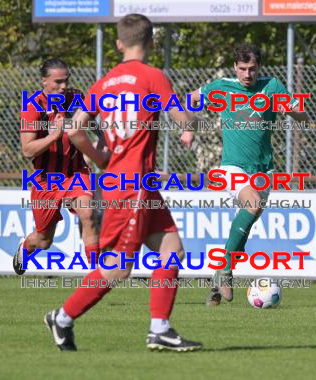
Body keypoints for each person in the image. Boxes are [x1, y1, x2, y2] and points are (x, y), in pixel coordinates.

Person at [42, 14, 202, 352]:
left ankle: (160, 328)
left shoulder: (106, 81)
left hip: (132, 182)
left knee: (172, 250)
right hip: (132, 186)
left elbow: (74, 128)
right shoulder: (154, 77)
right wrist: (192, 120)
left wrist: (101, 159)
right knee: (118, 268)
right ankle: (62, 318)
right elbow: (181, 119)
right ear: (152, 43)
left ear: (118, 44)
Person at [187, 43, 309, 306]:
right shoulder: (222, 86)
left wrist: (292, 111)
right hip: (231, 166)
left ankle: (217, 280)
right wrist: (189, 127)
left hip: (264, 170)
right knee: (252, 205)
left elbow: (302, 116)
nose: (247, 74)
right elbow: (189, 98)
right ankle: (226, 273)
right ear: (235, 67)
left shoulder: (272, 86)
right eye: (242, 69)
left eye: (252, 69)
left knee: (244, 230)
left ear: (259, 68)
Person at [12, 58, 103, 274]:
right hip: (46, 180)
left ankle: (97, 275)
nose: (63, 86)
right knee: (43, 241)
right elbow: (27, 150)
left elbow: (91, 124)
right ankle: (25, 247)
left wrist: (103, 137)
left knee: (88, 214)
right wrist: (54, 135)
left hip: (76, 173)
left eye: (66, 81)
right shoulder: (33, 106)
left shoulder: (76, 98)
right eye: (58, 82)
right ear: (44, 81)